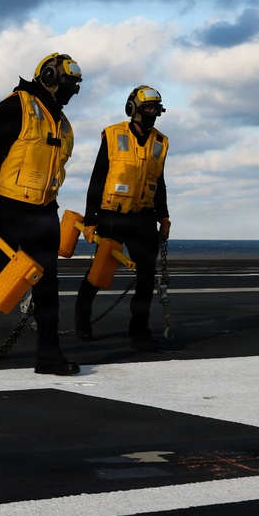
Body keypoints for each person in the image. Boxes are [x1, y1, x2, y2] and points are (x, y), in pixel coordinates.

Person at [0, 53, 83, 375]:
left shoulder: (62, 123)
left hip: (45, 211)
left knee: (47, 287)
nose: (71, 91)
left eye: (75, 86)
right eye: (68, 83)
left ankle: (49, 356)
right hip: (8, 209)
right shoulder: (15, 106)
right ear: (48, 76)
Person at [75, 85, 171, 351]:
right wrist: (91, 218)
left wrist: (163, 216)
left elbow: (159, 182)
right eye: (148, 108)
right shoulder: (113, 134)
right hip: (111, 216)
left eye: (155, 109)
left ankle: (139, 331)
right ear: (133, 109)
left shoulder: (160, 142)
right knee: (99, 272)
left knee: (146, 278)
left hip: (144, 219)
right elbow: (97, 178)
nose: (152, 113)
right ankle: (82, 319)